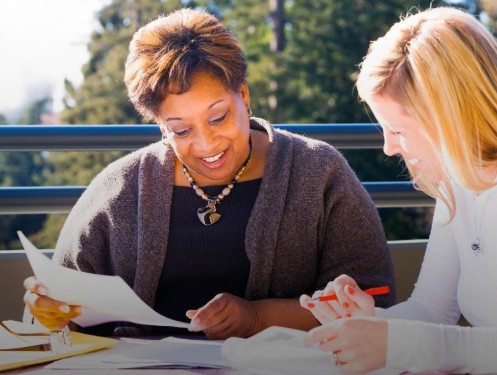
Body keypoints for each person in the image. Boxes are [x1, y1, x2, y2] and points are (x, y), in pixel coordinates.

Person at [22, 8, 395, 340]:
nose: (206, 144)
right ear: (159, 126)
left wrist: (257, 318)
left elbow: (374, 300)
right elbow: (56, 316)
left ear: (244, 96)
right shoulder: (119, 190)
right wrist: (49, 311)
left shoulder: (319, 173)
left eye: (218, 117)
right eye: (180, 130)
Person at [301, 6, 497, 374]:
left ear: (449, 116)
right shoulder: (458, 184)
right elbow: (432, 311)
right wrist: (370, 326)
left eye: (397, 130)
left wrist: (400, 342)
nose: (388, 147)